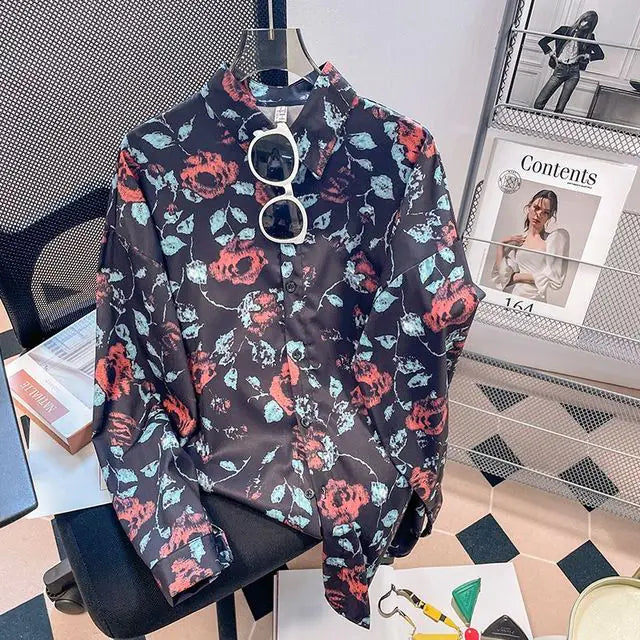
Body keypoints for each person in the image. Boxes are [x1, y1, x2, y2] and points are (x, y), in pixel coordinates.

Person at [492, 189, 570, 303]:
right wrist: (501, 244)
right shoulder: (518, 241)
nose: (539, 215)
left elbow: (555, 279)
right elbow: (503, 278)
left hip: (534, 300)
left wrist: (518, 277)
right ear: (529, 207)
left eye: (545, 212)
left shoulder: (553, 239)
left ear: (549, 216)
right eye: (536, 208)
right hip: (511, 296)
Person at [534, 11, 604, 114]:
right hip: (560, 68)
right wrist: (550, 53)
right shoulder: (564, 30)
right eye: (584, 20)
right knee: (539, 102)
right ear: (581, 19)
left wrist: (587, 56)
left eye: (588, 23)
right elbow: (543, 41)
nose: (584, 24)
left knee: (560, 107)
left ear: (591, 26)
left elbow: (600, 55)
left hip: (574, 72)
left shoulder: (589, 37)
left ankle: (554, 122)